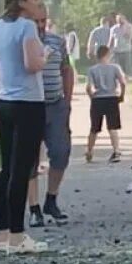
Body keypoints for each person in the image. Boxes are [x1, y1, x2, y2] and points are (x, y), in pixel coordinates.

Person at [0, 0, 51, 254]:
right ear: (23, 1)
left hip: (4, 101)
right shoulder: (26, 27)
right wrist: (45, 55)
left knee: (6, 167)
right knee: (22, 168)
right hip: (28, 102)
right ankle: (17, 235)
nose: (38, 3)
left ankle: (2, 232)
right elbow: (31, 64)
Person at [26, 12, 74, 227]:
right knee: (29, 158)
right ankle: (33, 208)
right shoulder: (24, 40)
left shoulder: (57, 40)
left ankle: (51, 199)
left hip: (55, 103)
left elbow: (67, 69)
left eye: (43, 21)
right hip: (30, 104)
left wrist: (68, 98)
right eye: (35, 21)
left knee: (61, 151)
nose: (40, 25)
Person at [85, 45, 126, 164]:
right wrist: (121, 95)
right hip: (112, 98)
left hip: (98, 99)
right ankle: (116, 150)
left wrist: (91, 96)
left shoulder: (92, 70)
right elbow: (122, 83)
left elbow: (88, 87)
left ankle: (89, 151)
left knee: (94, 128)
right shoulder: (114, 68)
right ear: (108, 55)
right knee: (112, 127)